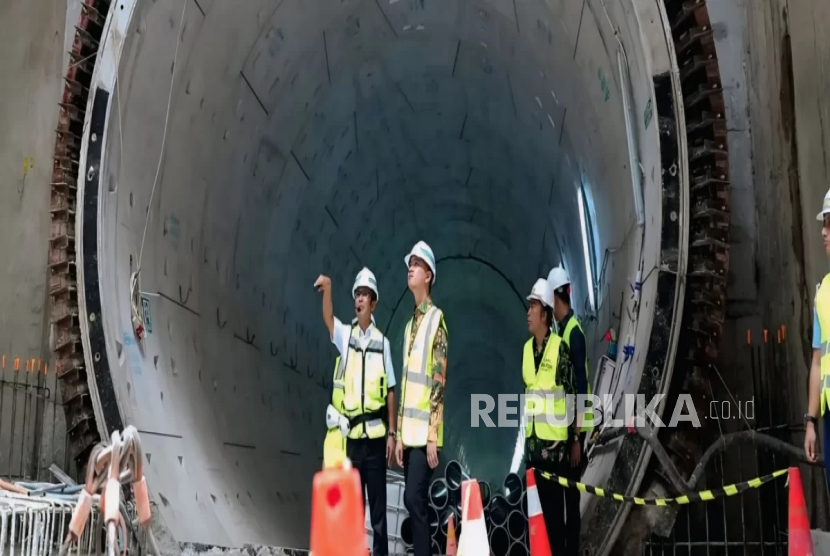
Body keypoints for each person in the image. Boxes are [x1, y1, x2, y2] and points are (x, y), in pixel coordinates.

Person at [314, 268, 397, 556]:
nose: (360, 300)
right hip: (353, 441)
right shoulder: (346, 338)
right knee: (354, 510)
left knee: (378, 512)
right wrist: (328, 289)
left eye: (365, 295)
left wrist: (392, 434)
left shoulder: (382, 344)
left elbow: (390, 390)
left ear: (373, 304)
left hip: (374, 439)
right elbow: (328, 321)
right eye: (358, 295)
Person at [394, 240, 448, 556]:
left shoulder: (436, 321)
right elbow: (406, 386)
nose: (410, 268)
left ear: (428, 275)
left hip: (425, 434)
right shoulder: (408, 327)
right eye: (409, 264)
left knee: (415, 499)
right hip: (409, 435)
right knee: (412, 501)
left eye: (416, 264)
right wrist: (400, 435)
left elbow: (438, 381)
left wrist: (432, 435)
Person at [522, 277, 579, 555]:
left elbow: (572, 397)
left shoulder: (560, 348)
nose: (528, 313)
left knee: (556, 525)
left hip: (555, 454)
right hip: (533, 453)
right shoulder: (525, 351)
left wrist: (575, 438)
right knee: (536, 523)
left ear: (545, 312)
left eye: (533, 307)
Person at [548, 265, 592, 555]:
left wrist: (576, 437)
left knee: (571, 504)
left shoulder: (572, 334)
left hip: (574, 431)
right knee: (563, 501)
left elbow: (580, 386)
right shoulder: (562, 332)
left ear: (555, 299)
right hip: (565, 430)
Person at [805, 188, 830, 491]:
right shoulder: (823, 294)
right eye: (824, 225)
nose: (824, 233)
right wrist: (810, 421)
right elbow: (817, 361)